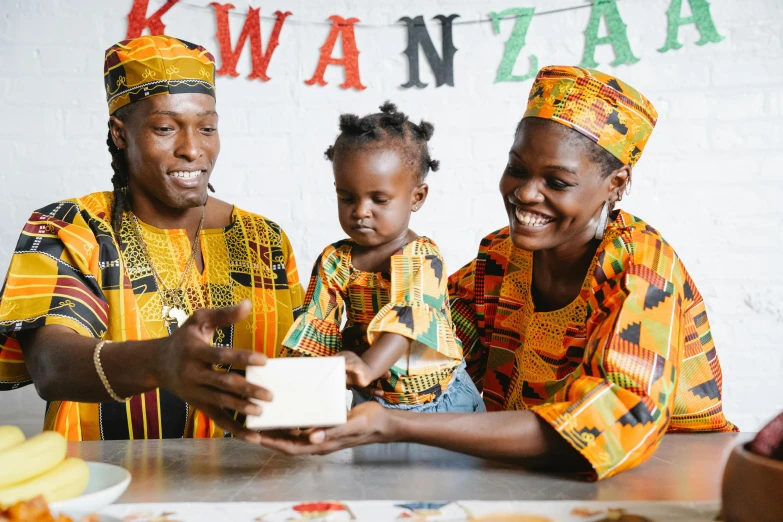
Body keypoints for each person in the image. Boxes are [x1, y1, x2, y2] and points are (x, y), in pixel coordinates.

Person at [258, 66, 737, 480]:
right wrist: (304, 385)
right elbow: (435, 349)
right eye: (516, 168)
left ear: (616, 184)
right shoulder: (502, 257)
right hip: (531, 474)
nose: (526, 194)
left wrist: (394, 424)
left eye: (557, 182)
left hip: (665, 476)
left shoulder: (641, 271)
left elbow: (612, 428)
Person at [0, 35, 303, 441]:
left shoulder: (264, 240)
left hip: (248, 485)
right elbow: (50, 367)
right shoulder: (72, 228)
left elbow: (299, 362)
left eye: (207, 128)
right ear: (121, 134)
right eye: (165, 128)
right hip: (108, 483)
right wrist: (161, 360)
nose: (193, 149)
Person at [282, 102, 484, 413]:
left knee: (445, 464)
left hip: (440, 403)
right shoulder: (335, 261)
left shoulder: (423, 257)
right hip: (373, 402)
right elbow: (316, 327)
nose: (360, 211)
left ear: (416, 197)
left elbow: (409, 321)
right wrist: (302, 393)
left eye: (379, 199)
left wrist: (367, 367)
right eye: (347, 197)